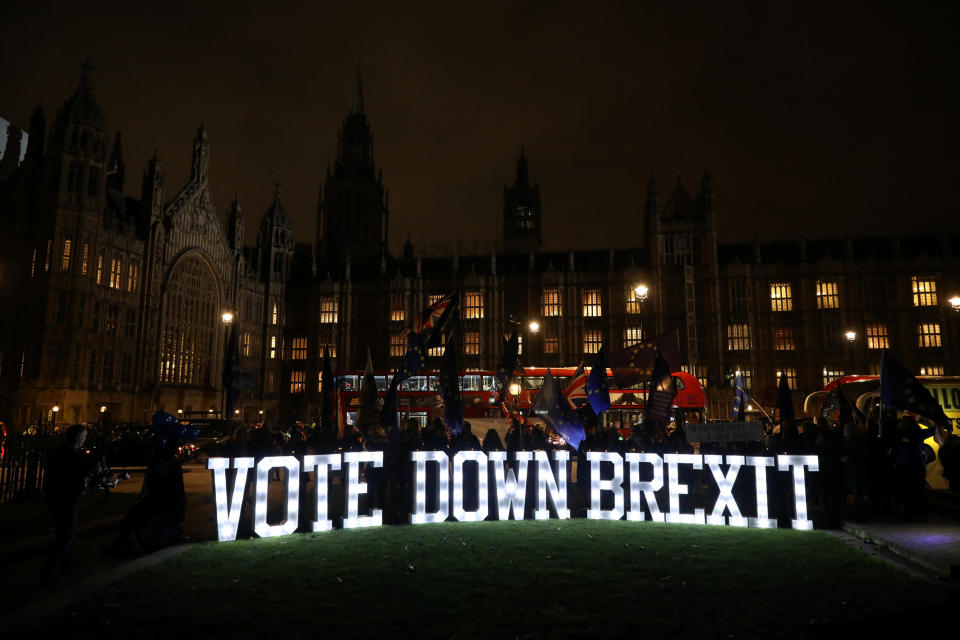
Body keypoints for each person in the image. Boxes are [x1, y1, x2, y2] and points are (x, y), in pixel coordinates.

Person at [40, 424, 90, 584]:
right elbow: (75, 477)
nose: (85, 440)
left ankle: (63, 565)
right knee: (65, 536)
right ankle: (49, 572)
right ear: (77, 438)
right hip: (65, 501)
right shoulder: (70, 455)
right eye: (84, 437)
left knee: (64, 534)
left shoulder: (63, 451)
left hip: (59, 499)